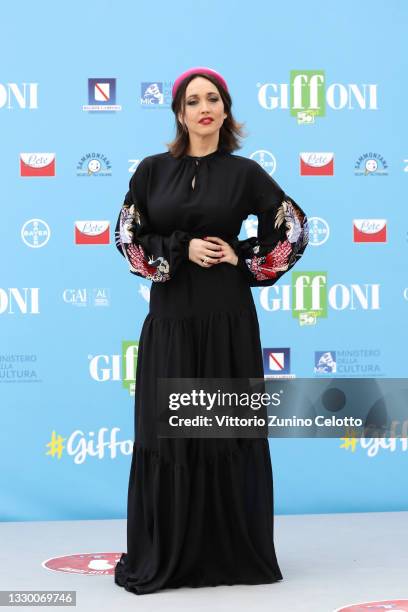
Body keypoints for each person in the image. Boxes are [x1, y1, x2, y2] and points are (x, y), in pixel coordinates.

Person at [114, 66, 309, 595]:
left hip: (227, 322)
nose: (205, 107)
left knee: (224, 432)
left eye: (214, 99)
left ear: (226, 111)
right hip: (173, 320)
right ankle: (170, 554)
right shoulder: (152, 172)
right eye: (193, 100)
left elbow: (292, 227)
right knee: (170, 436)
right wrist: (179, 250)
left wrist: (241, 258)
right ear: (179, 113)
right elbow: (127, 237)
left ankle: (229, 553)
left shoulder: (245, 173)